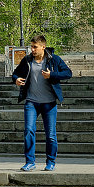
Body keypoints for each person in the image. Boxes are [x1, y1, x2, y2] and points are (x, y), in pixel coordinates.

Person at [12, 34, 73, 172]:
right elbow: (15, 73)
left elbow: (68, 73)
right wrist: (16, 79)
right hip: (31, 102)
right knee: (28, 130)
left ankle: (50, 161)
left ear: (43, 47)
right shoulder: (27, 60)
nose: (32, 50)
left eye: (35, 47)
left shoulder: (53, 59)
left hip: (49, 103)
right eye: (31, 47)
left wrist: (52, 75)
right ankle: (30, 162)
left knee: (50, 134)